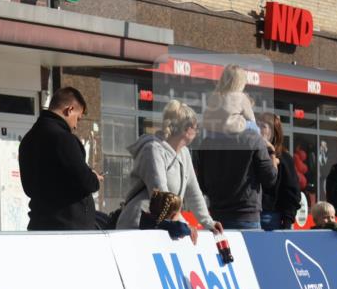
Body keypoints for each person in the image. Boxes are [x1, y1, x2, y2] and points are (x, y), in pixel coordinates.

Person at [116, 100, 221, 236]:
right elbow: (162, 195)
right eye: (196, 127)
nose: (197, 132)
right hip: (137, 226)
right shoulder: (153, 149)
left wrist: (209, 222)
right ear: (186, 129)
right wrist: (184, 225)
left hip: (162, 226)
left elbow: (194, 193)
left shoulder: (184, 153)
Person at [19, 87, 102, 231]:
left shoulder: (28, 139)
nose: (76, 125)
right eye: (78, 118)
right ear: (69, 110)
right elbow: (85, 181)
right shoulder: (63, 139)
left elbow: (29, 189)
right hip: (68, 227)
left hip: (39, 224)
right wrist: (94, 178)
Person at [197, 101, 279, 231]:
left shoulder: (206, 143)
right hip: (246, 216)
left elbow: (202, 185)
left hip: (216, 216)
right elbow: (270, 179)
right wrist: (272, 154)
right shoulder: (253, 139)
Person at [259, 113, 301, 230]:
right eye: (256, 125)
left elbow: (292, 192)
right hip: (249, 215)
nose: (258, 130)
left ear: (274, 132)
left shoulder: (284, 158)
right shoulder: (251, 153)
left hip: (271, 217)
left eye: (263, 126)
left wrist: (287, 221)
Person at [201, 64, 259, 135]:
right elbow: (251, 119)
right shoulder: (241, 97)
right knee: (254, 126)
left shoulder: (214, 96)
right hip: (231, 129)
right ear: (241, 81)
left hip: (212, 131)